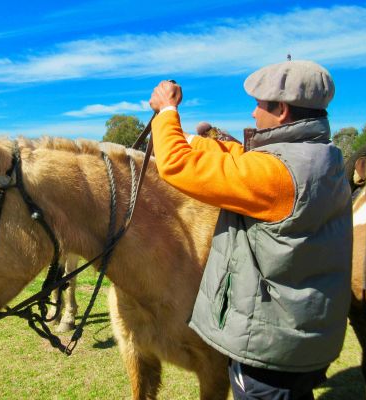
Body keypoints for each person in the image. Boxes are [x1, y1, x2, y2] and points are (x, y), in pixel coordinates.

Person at [148, 60, 353, 400]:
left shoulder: (275, 174)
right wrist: (200, 141)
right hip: (303, 336)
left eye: (260, 104)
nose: (254, 114)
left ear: (282, 110)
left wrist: (167, 111)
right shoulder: (323, 157)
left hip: (271, 350)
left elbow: (177, 165)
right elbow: (245, 160)